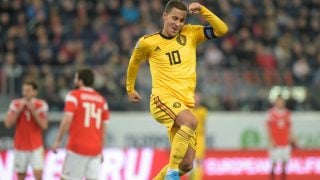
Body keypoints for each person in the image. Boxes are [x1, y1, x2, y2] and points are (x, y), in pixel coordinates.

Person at [126, 1, 228, 179]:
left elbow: (222, 29)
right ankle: (172, 172)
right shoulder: (148, 42)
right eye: (174, 18)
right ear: (164, 16)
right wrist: (130, 88)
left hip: (184, 106)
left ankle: (171, 172)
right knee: (191, 121)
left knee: (187, 164)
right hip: (162, 99)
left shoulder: (191, 33)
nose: (178, 23)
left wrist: (203, 10)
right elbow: (134, 63)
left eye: (181, 20)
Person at [51, 68, 110, 180]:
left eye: (76, 78)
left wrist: (58, 140)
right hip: (95, 149)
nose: (75, 80)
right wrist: (101, 149)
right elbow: (104, 128)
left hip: (77, 147)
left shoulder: (74, 95)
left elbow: (67, 119)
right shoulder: (102, 100)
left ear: (80, 81)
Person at [4, 81, 49, 180]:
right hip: (20, 146)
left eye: (28, 91)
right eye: (24, 90)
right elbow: (8, 123)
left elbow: (44, 125)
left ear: (34, 92)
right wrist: (19, 111)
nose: (25, 93)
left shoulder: (41, 105)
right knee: (20, 176)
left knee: (38, 175)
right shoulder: (15, 104)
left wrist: (33, 111)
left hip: (36, 146)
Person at [266, 95, 297, 180]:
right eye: (278, 101)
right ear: (276, 102)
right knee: (274, 163)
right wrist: (270, 140)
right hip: (275, 143)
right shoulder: (271, 113)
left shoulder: (287, 114)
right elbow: (268, 128)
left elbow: (290, 128)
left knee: (284, 164)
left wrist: (294, 139)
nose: (280, 103)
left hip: (285, 142)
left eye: (281, 101)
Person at [189, 92, 208, 180]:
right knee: (190, 162)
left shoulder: (203, 111)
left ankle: (198, 178)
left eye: (198, 98)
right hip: (190, 138)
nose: (196, 100)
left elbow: (203, 125)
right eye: (195, 98)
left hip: (200, 139)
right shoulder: (188, 110)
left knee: (199, 160)